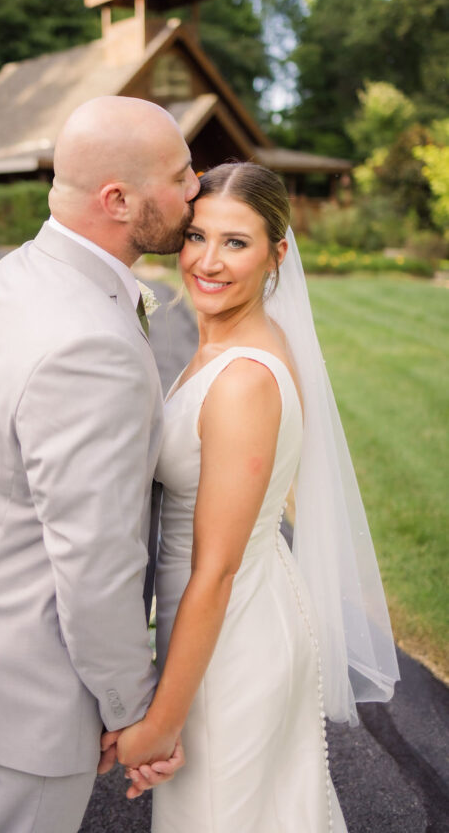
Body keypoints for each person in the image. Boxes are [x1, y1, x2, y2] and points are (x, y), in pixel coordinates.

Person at [0, 95, 199, 833]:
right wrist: (138, 712)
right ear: (118, 200)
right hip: (31, 687)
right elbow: (93, 556)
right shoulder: (85, 341)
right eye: (182, 173)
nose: (197, 187)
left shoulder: (19, 274)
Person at [114, 162, 399, 831]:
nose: (206, 262)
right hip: (221, 623)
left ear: (277, 255)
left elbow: (217, 570)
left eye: (235, 243)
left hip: (233, 638)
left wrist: (162, 721)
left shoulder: (243, 378)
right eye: (195, 237)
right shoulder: (224, 346)